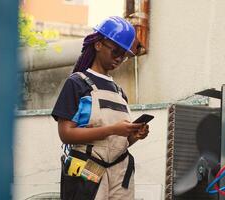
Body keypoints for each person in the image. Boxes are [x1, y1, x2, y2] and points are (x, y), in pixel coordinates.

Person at [51, 16, 149, 200]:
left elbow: (116, 142)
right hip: (89, 169)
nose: (119, 59)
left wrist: (132, 136)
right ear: (98, 45)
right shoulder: (77, 83)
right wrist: (113, 129)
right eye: (116, 52)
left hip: (120, 172)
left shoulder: (119, 92)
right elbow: (66, 134)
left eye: (124, 55)